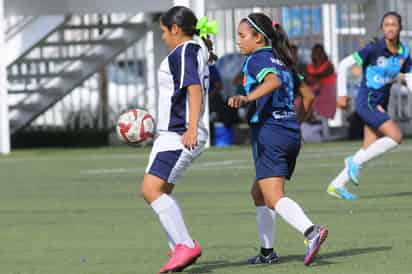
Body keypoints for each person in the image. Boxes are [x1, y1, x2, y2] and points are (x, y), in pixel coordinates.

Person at [228, 13, 327, 266]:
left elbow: (270, 82)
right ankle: (267, 252)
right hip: (288, 131)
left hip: (270, 132)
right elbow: (308, 97)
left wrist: (248, 98)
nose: (237, 40)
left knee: (272, 196)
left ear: (258, 37)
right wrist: (296, 123)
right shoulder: (283, 60)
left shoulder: (256, 59)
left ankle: (311, 231)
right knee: (259, 193)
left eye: (241, 36)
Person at [139, 6, 217, 273]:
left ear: (175, 29)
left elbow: (193, 88)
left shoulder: (184, 51)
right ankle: (178, 249)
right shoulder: (196, 50)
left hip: (179, 134)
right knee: (161, 191)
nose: (162, 37)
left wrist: (192, 127)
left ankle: (184, 245)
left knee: (151, 190)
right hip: (174, 133)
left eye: (163, 31)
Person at [327, 11, 412, 200]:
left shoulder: (404, 53)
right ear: (382, 28)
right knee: (396, 137)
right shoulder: (373, 49)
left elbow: (409, 77)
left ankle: (336, 185)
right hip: (367, 101)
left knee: (369, 147)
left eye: (394, 25)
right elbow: (343, 65)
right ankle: (352, 162)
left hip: (381, 102)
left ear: (400, 28)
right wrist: (342, 95)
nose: (390, 28)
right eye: (387, 24)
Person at [306, 44, 337, 119]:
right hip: (314, 93)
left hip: (327, 93)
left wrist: (312, 77)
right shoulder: (309, 66)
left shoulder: (329, 65)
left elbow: (321, 75)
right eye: (316, 52)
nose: (318, 55)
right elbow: (308, 79)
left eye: (320, 52)